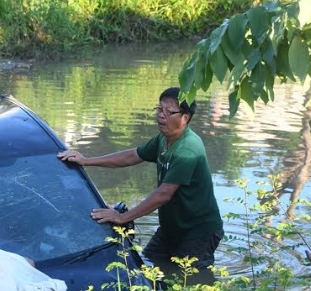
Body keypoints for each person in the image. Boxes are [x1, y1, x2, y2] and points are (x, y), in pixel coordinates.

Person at [58, 87, 224, 271]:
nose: (161, 116)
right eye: (159, 109)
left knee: (190, 284)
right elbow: (132, 156)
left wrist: (122, 217)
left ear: (185, 117)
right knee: (148, 268)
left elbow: (163, 194)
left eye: (169, 112)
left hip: (198, 232)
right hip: (172, 228)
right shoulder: (164, 139)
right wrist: (86, 161)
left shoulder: (187, 150)